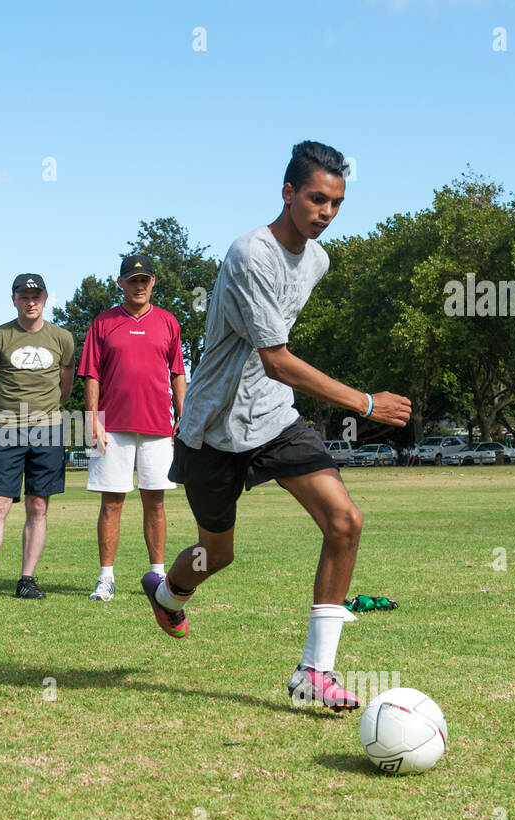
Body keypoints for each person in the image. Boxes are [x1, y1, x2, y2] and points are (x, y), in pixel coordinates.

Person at [141, 141, 411, 711]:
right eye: (316, 198)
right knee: (218, 554)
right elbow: (276, 357)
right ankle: (167, 594)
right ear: (287, 192)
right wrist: (365, 403)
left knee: (345, 521)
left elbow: (273, 372)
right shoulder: (249, 255)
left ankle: (316, 672)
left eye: (336, 202)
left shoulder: (318, 260)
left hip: (273, 418)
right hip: (211, 429)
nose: (327, 213)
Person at [0, 274, 75, 604]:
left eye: (36, 295)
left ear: (46, 297)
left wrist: (41, 414)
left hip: (48, 430)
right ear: (14, 299)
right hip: (8, 428)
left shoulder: (63, 338)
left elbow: (64, 388)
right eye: (24, 295)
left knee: (38, 506)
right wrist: (12, 415)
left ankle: (27, 580)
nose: (31, 300)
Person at [78, 253, 186, 601]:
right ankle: (105, 578)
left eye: (145, 280)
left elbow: (178, 373)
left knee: (155, 501)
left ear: (153, 282)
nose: (139, 286)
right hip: (112, 426)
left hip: (158, 426)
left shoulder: (169, 322)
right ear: (121, 283)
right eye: (133, 280)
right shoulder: (103, 322)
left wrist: (183, 416)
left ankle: (158, 575)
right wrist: (92, 417)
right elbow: (91, 373)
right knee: (112, 503)